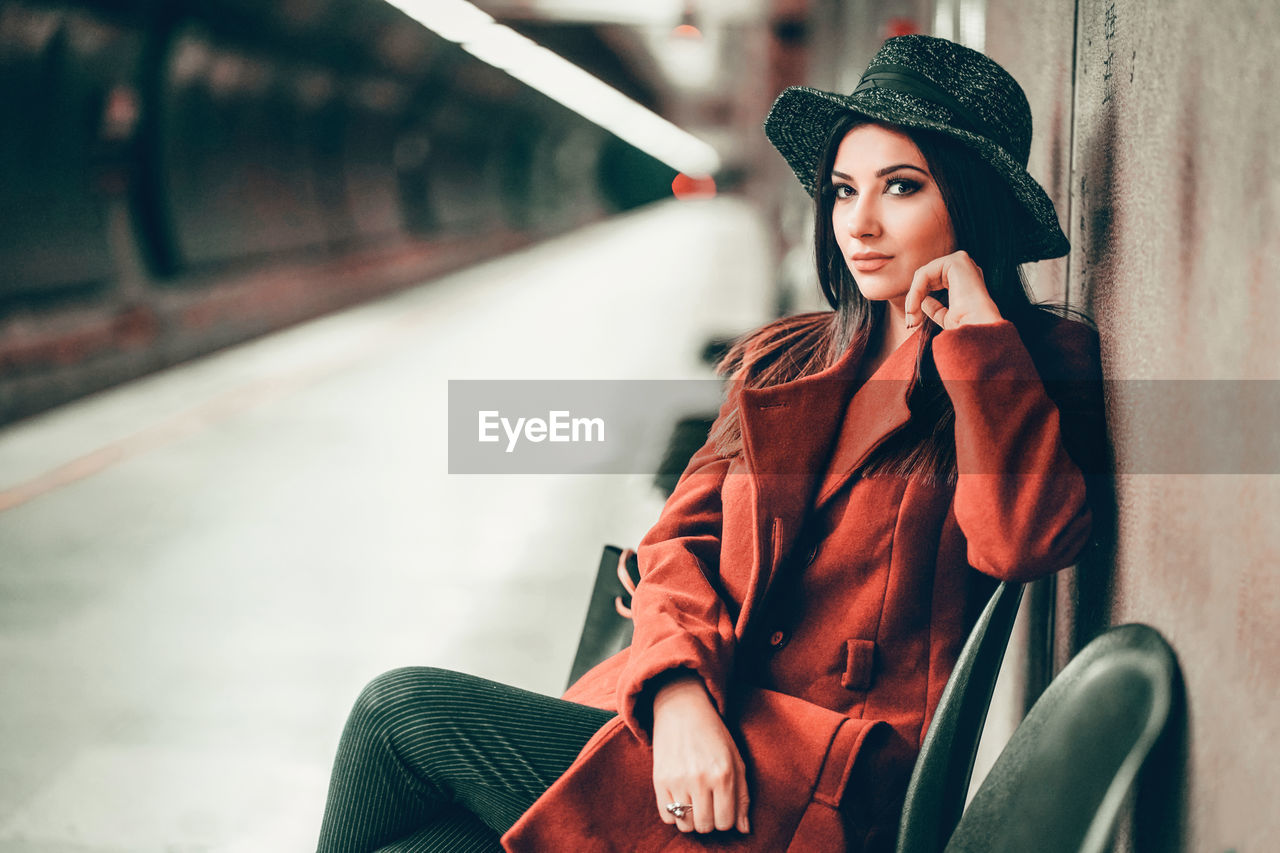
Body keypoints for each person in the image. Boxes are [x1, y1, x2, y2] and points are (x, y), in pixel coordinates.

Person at [315, 34, 1106, 853]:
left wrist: (977, 338)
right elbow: (675, 544)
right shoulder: (790, 360)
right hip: (699, 729)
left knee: (396, 710)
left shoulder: (1026, 367)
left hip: (820, 788)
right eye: (842, 191)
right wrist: (680, 697)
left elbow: (1025, 540)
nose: (859, 224)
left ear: (969, 204)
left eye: (901, 188)